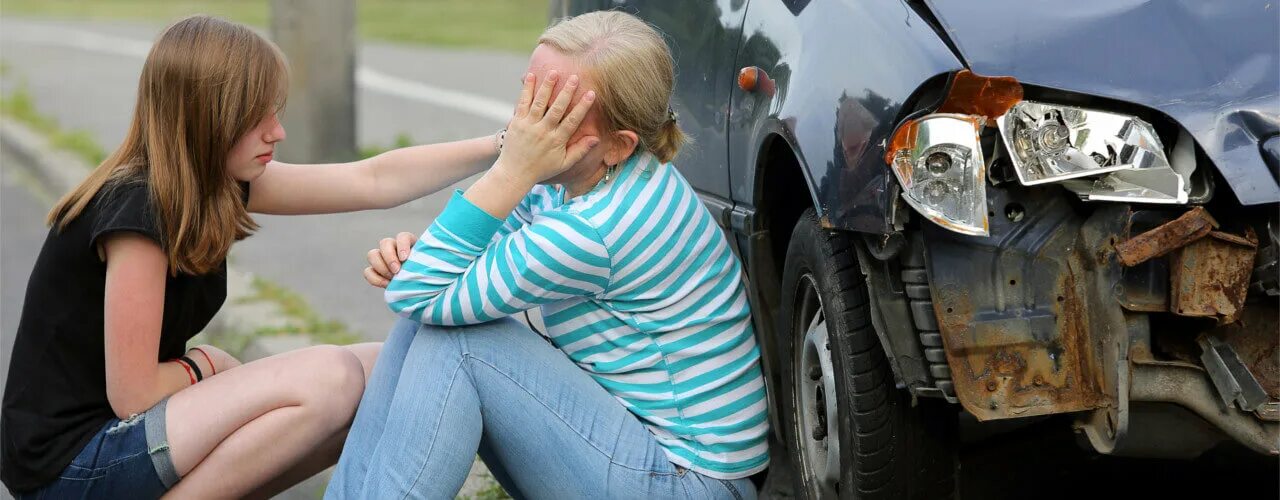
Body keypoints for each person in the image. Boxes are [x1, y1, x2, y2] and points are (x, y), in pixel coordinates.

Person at [0, 15, 593, 499]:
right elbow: (132, 394)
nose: (278, 132)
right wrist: (210, 362)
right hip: (73, 464)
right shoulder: (137, 212)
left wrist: (506, 145)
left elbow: (371, 180)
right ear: (209, 121)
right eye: (259, 117)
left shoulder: (207, 181)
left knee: (392, 366)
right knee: (328, 379)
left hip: (130, 437)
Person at [331, 11, 769, 499]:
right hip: (644, 460)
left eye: (553, 114)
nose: (525, 126)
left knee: (457, 342)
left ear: (617, 146)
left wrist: (509, 169)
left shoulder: (594, 230)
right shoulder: (581, 181)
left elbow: (420, 292)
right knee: (428, 324)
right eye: (529, 96)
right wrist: (426, 254)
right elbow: (450, 276)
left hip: (689, 484)